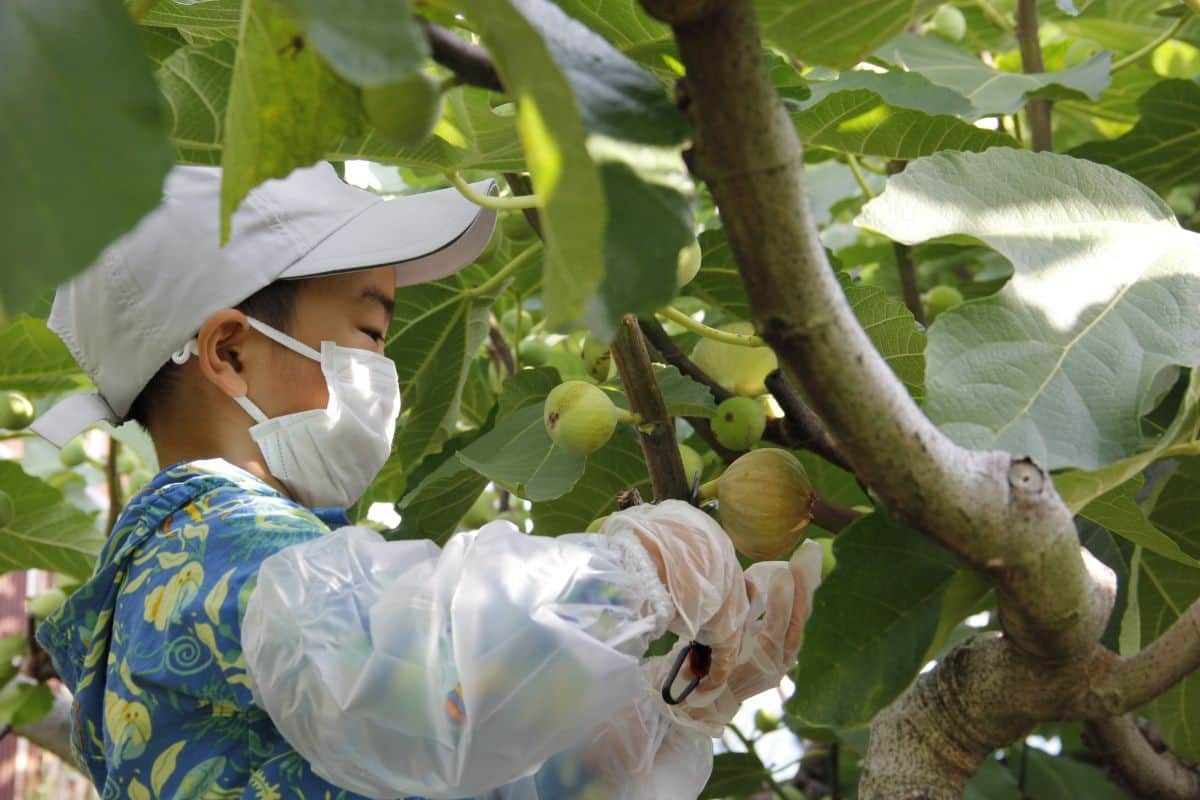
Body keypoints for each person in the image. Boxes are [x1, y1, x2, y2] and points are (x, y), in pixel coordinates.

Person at [30, 162, 823, 799]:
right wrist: (635, 574)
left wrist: (658, 715)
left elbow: (447, 762)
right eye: (370, 333)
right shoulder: (215, 538)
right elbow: (435, 664)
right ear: (231, 353)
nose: (385, 369)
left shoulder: (172, 580)